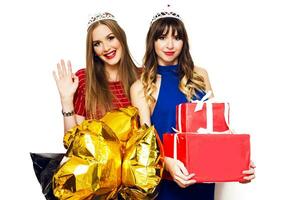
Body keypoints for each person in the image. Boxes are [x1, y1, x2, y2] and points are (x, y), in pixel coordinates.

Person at [130, 6, 256, 200]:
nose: (170, 45)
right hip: (167, 182)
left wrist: (238, 160)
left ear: (184, 41)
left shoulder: (200, 75)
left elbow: (216, 129)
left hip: (202, 179)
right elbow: (146, 143)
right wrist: (168, 163)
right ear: (152, 41)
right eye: (162, 37)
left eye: (177, 37)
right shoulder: (141, 86)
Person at [53, 12, 139, 133]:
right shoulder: (84, 79)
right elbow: (72, 141)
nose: (106, 48)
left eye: (110, 38)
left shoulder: (142, 76)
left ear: (121, 38)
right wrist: (66, 100)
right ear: (92, 50)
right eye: (97, 44)